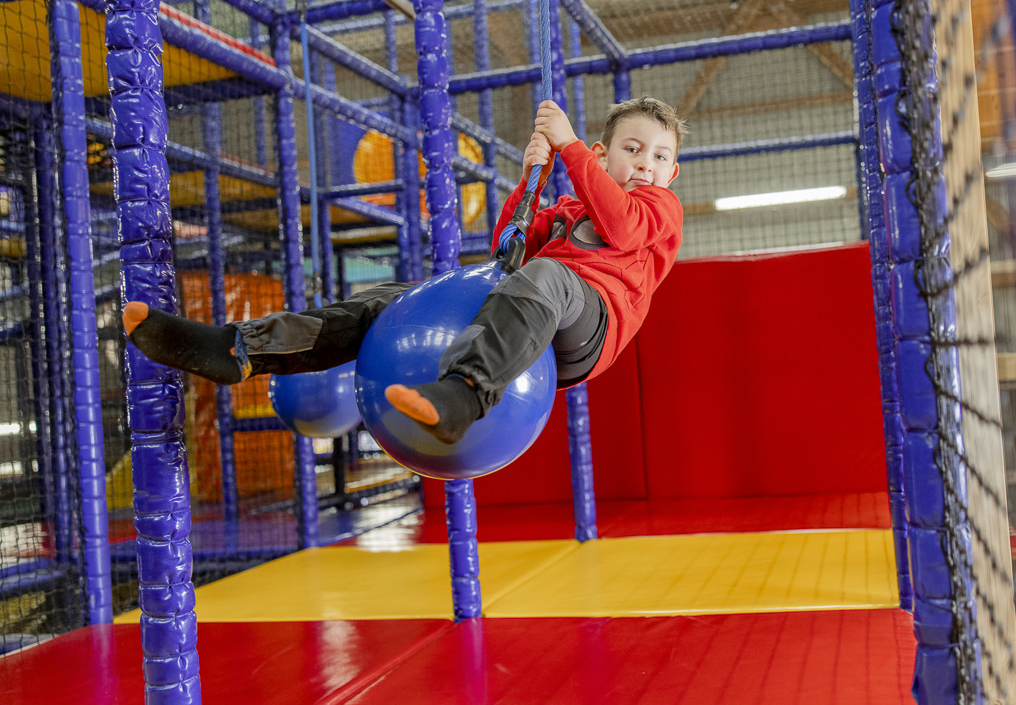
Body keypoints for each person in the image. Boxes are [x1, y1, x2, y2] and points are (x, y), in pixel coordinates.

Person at [124, 96, 687, 445]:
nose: (645, 163)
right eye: (633, 149)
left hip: (589, 330)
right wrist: (531, 176)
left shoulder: (661, 210)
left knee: (549, 277)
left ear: (672, 171)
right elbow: (504, 253)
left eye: (660, 156)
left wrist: (568, 152)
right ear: (605, 152)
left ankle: (464, 394)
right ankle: (240, 349)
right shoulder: (569, 209)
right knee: (394, 301)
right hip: (528, 315)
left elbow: (624, 227)